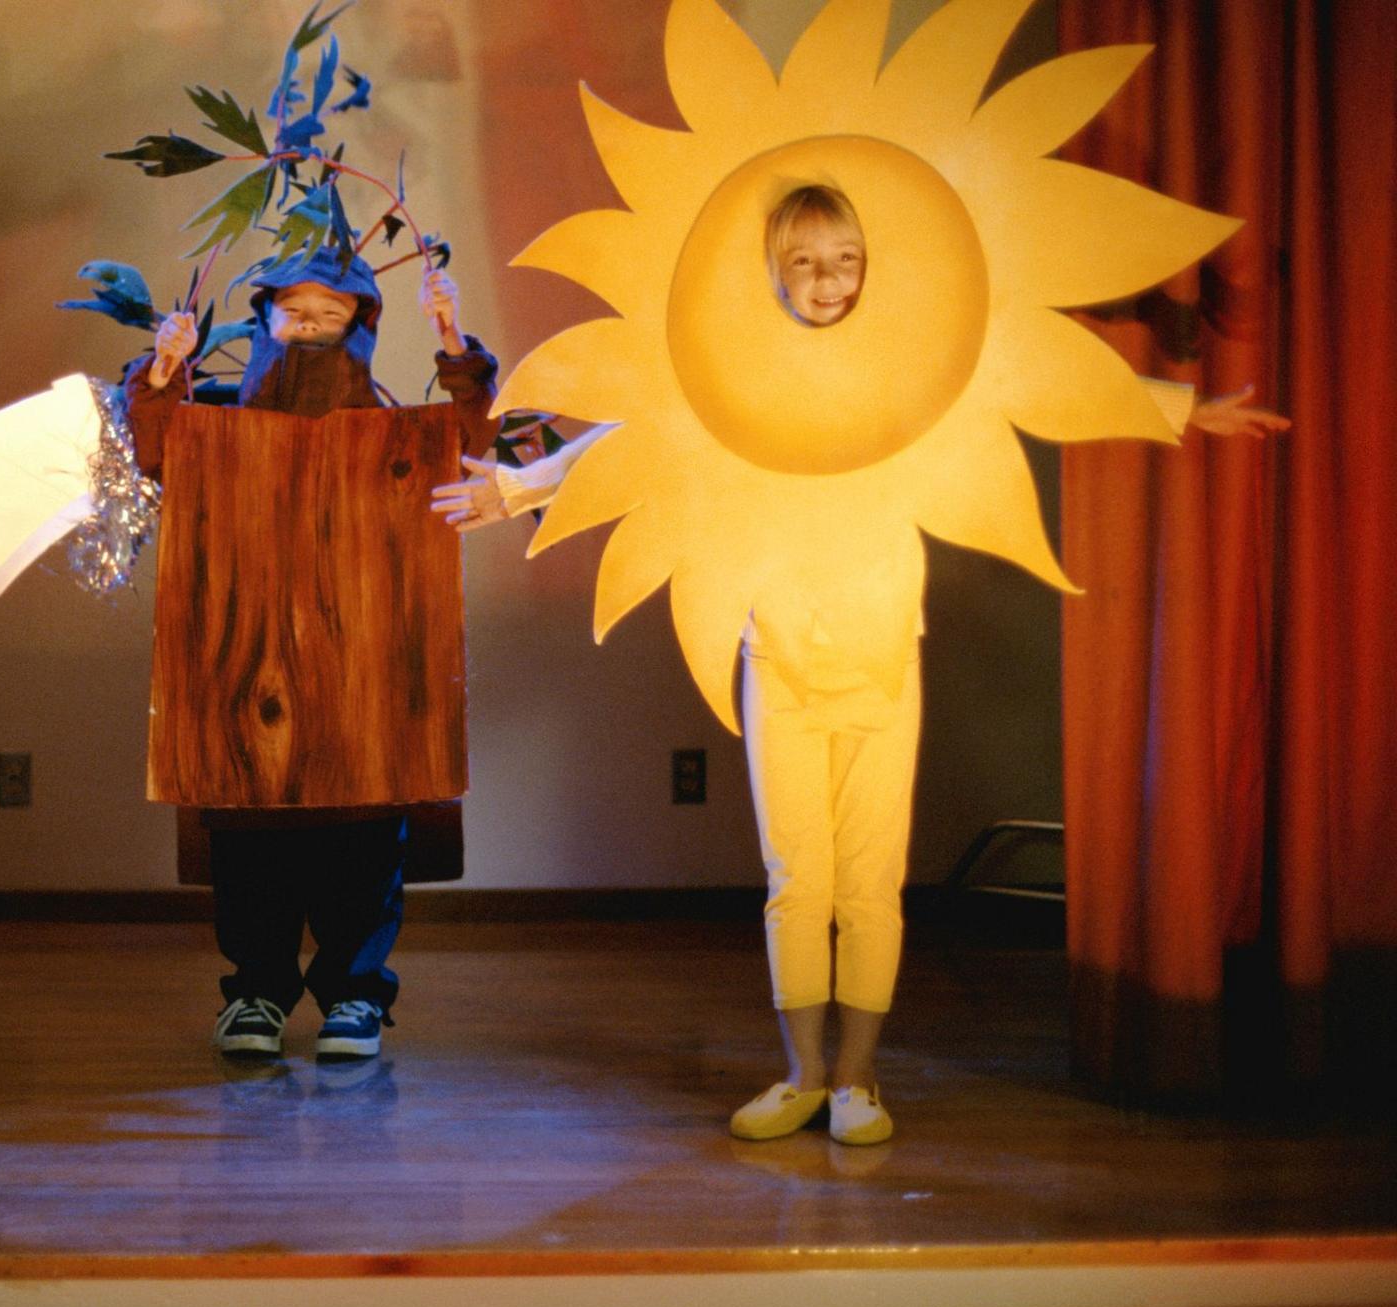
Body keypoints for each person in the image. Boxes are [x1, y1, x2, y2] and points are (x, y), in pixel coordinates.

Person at [434, 185, 1288, 1142]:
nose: (825, 280)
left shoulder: (908, 366)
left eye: (842, 259)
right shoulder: (739, 371)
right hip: (781, 650)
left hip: (883, 653)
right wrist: (519, 485)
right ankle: (802, 1073)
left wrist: (1183, 409)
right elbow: (641, 428)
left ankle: (858, 1080)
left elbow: (1030, 389)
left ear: (867, 266)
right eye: (802, 261)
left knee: (870, 884)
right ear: (772, 270)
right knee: (796, 879)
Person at [128, 249, 499, 1062]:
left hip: (363, 669)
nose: (309, 327)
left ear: (360, 329)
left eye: (331, 316)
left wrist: (452, 337)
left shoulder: (395, 430)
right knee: (251, 846)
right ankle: (257, 993)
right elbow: (156, 452)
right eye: (293, 311)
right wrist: (164, 370)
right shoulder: (215, 426)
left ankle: (355, 997)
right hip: (244, 665)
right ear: (261, 320)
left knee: (362, 846)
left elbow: (473, 448)